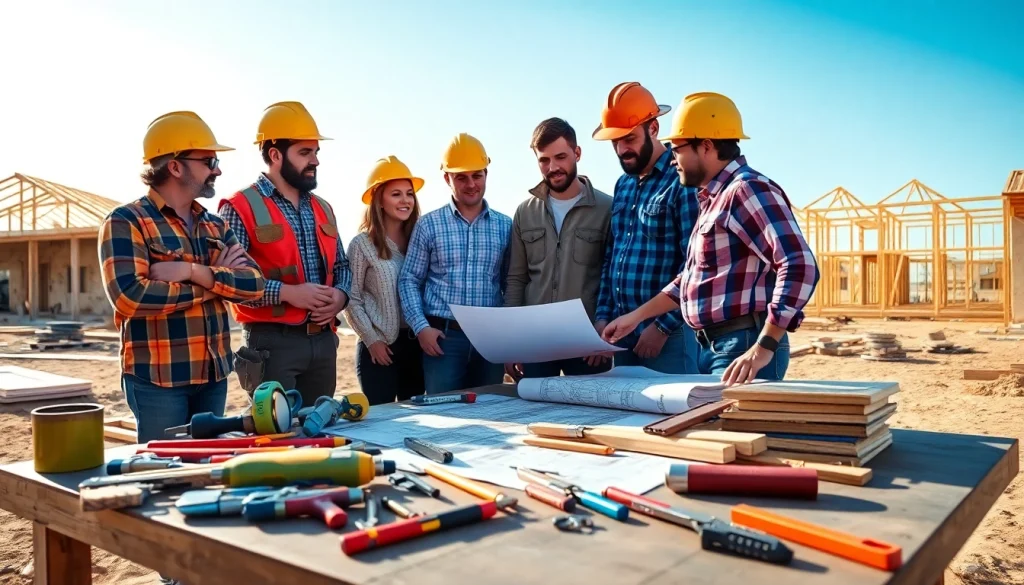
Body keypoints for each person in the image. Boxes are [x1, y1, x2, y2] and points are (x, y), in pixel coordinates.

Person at [99, 111, 265, 585]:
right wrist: (217, 281)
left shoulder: (213, 226)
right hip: (158, 379)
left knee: (205, 482)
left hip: (212, 374)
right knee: (165, 486)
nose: (216, 169)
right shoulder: (126, 222)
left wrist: (192, 272)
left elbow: (252, 284)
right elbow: (131, 296)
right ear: (175, 165)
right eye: (208, 160)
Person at [602, 92, 820, 386]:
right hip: (714, 346)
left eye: (677, 148)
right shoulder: (713, 199)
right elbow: (690, 282)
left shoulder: (747, 190)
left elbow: (799, 264)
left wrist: (765, 346)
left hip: (742, 345)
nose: (673, 158)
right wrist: (635, 317)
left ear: (705, 146)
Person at [218, 101, 352, 408]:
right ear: (275, 155)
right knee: (277, 438)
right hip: (271, 346)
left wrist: (341, 296)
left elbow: (342, 265)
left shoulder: (323, 207)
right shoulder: (239, 207)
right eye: (305, 153)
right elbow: (230, 284)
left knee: (319, 434)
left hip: (324, 341)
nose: (315, 160)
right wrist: (290, 294)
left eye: (316, 152)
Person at [590, 82, 701, 375]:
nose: (621, 149)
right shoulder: (623, 184)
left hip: (669, 337)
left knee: (676, 417)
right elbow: (613, 257)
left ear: (653, 128)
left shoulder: (682, 181)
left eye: (629, 139)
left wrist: (662, 327)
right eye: (615, 142)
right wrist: (603, 316)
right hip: (621, 334)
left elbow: (695, 266)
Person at [398, 133, 512, 394]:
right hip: (443, 340)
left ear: (486, 174)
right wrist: (421, 327)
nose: (471, 184)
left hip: (490, 340)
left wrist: (508, 339)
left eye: (477, 175)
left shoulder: (506, 226)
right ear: (447, 178)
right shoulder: (428, 225)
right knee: (445, 418)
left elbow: (509, 284)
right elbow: (409, 279)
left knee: (491, 413)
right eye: (461, 177)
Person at [504, 117, 613, 380]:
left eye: (561, 157)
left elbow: (612, 278)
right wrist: (510, 341)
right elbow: (517, 279)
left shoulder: (607, 208)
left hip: (587, 343)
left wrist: (603, 330)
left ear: (577, 153)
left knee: (590, 418)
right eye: (544, 160)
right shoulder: (524, 212)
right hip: (535, 342)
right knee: (531, 416)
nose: (553, 167)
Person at [344, 156, 426, 404]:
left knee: (419, 418)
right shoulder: (362, 245)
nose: (405, 200)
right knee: (382, 420)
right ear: (379, 199)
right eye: (396, 194)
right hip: (379, 347)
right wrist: (372, 340)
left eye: (409, 194)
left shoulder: (420, 240)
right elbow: (352, 298)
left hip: (416, 346)